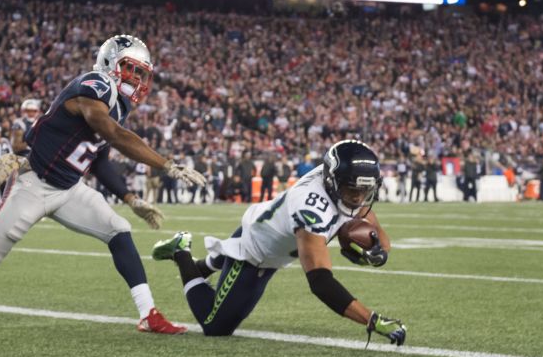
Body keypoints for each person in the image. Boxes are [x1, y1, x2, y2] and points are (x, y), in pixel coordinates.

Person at [0, 34, 209, 334]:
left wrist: (131, 199)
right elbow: (111, 133)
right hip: (34, 185)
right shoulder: (95, 84)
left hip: (70, 190)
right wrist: (167, 165)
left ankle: (148, 314)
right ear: (109, 62)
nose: (136, 79)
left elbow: (99, 158)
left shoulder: (119, 106)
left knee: (119, 229)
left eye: (140, 73)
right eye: (130, 69)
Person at [151, 140, 406, 345]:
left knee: (232, 266)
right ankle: (181, 251)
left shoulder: (340, 180)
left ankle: (211, 262)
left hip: (275, 241)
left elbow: (373, 227)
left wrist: (379, 252)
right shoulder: (311, 208)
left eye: (365, 192)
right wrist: (371, 320)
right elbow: (320, 282)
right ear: (332, 182)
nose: (359, 198)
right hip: (255, 250)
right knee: (215, 326)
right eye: (353, 191)